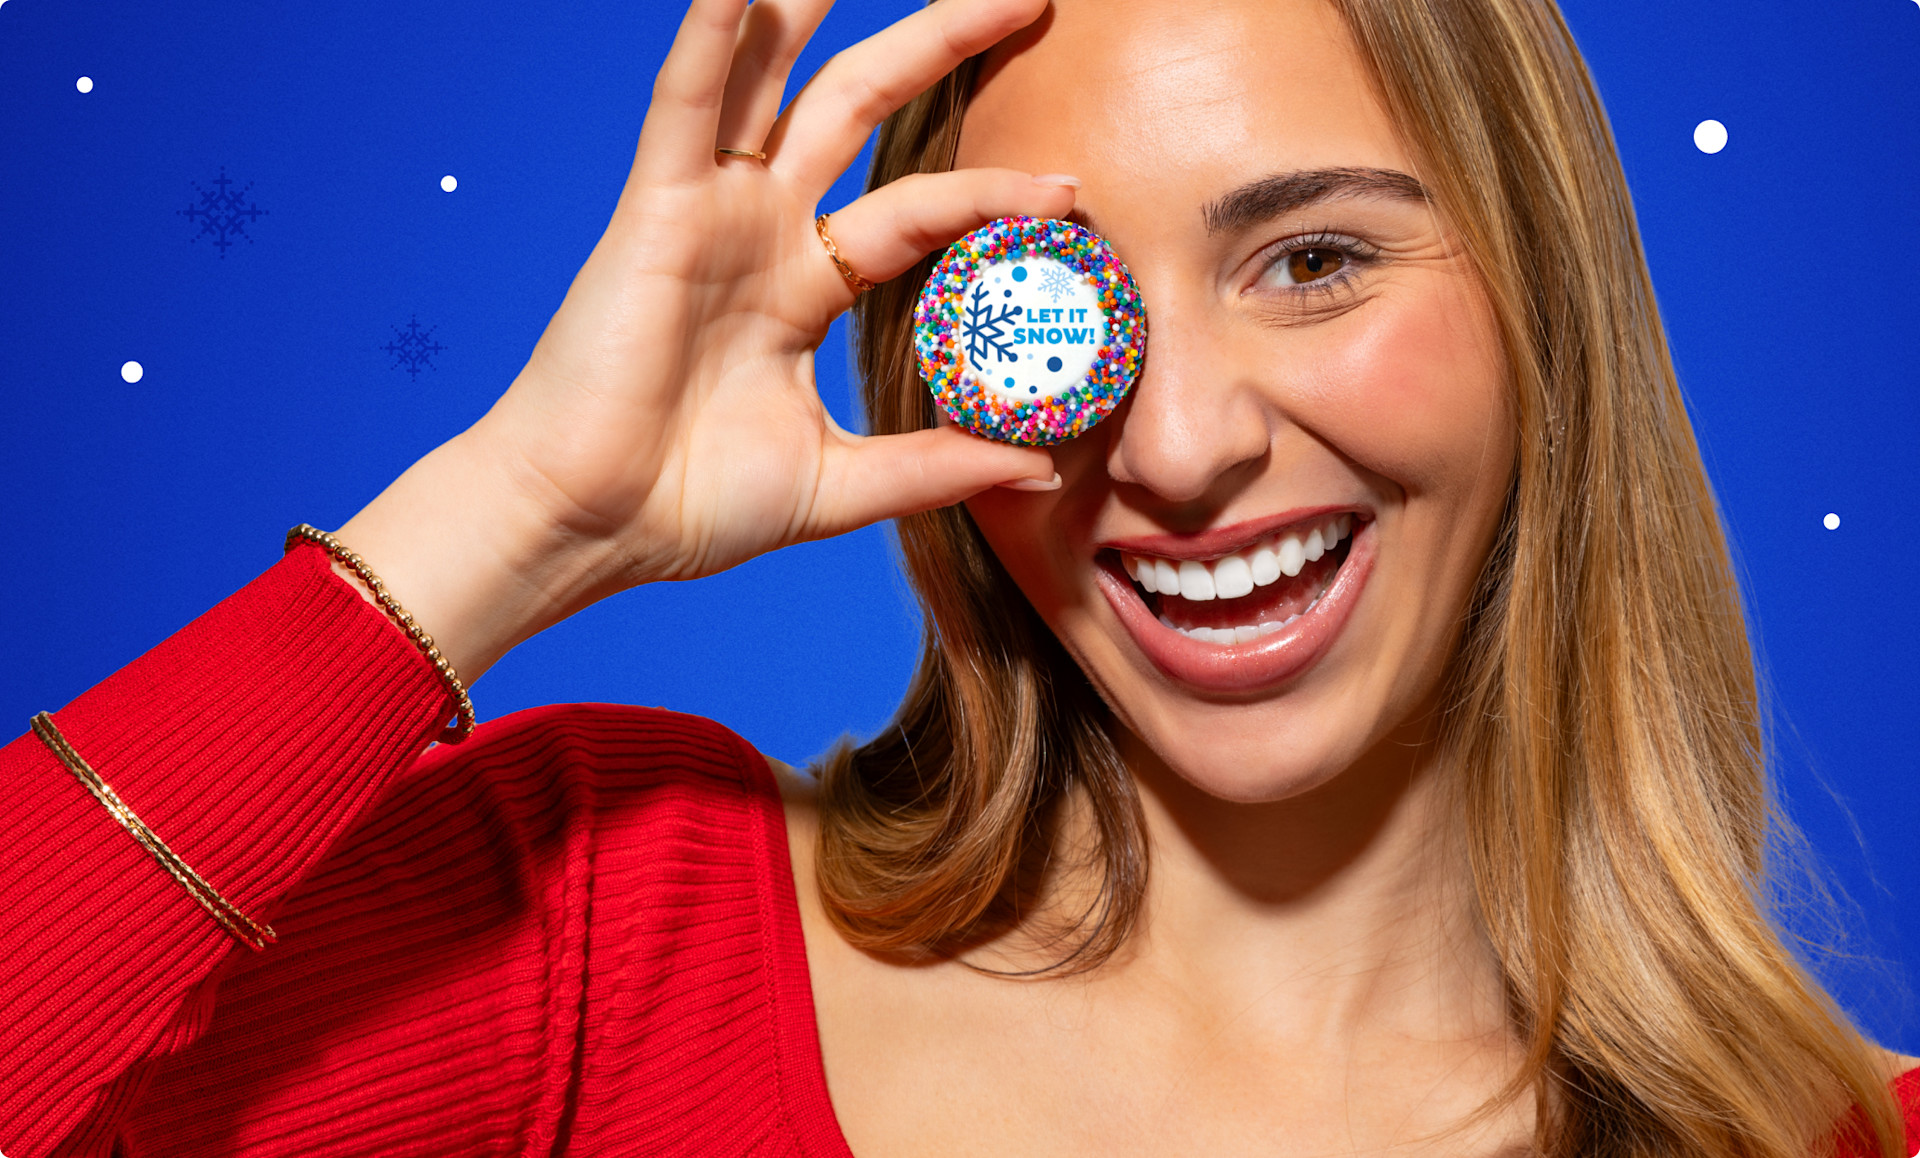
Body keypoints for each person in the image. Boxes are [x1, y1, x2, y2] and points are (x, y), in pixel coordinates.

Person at [1, 0, 1913, 1153]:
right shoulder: (604, 929)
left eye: (1317, 260)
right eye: (1048, 305)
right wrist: (511, 514)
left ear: (1542, 310)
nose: (1172, 452)